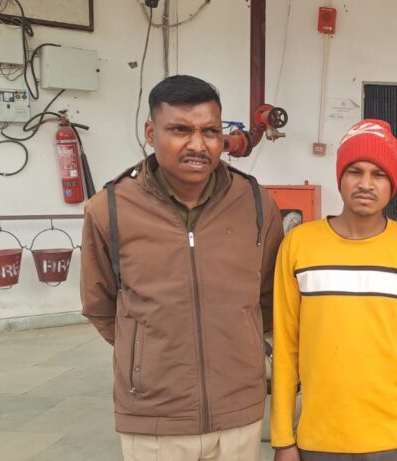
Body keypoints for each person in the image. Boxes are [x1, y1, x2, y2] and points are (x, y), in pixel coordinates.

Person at [80, 74, 284, 461]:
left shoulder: (255, 203)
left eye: (210, 131)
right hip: (154, 418)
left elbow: (270, 298)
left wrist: (238, 345)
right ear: (150, 132)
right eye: (180, 130)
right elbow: (100, 305)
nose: (197, 145)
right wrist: (147, 355)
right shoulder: (110, 209)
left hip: (238, 411)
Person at [270, 119, 397, 461]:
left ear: (393, 183)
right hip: (320, 435)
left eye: (378, 174)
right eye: (355, 171)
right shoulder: (299, 244)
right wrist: (283, 438)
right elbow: (286, 346)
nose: (365, 184)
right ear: (340, 177)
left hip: (393, 435)